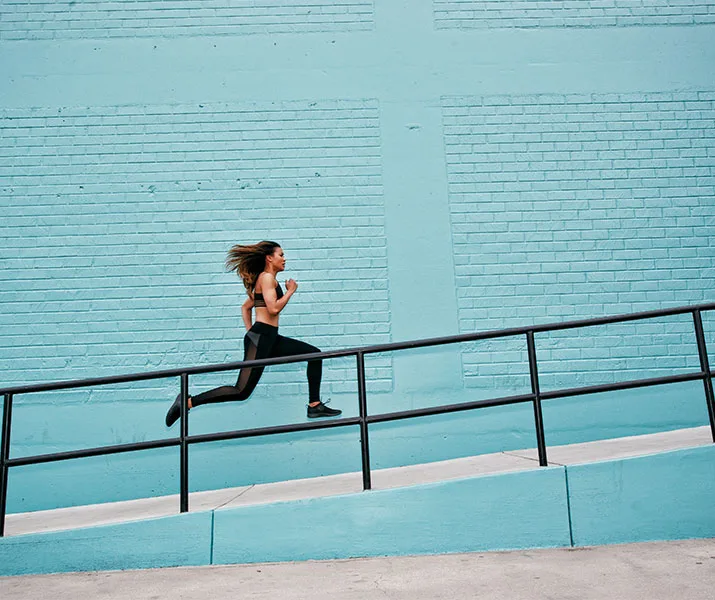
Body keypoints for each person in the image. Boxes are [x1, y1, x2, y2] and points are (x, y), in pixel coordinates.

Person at [165, 241, 341, 426]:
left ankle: (315, 405)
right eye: (281, 255)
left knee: (314, 354)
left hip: (267, 337)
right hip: (262, 337)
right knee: (241, 391)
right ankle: (188, 402)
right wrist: (290, 292)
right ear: (269, 258)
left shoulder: (266, 280)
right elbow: (273, 309)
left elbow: (246, 307)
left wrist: (251, 331)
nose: (284, 258)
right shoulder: (266, 278)